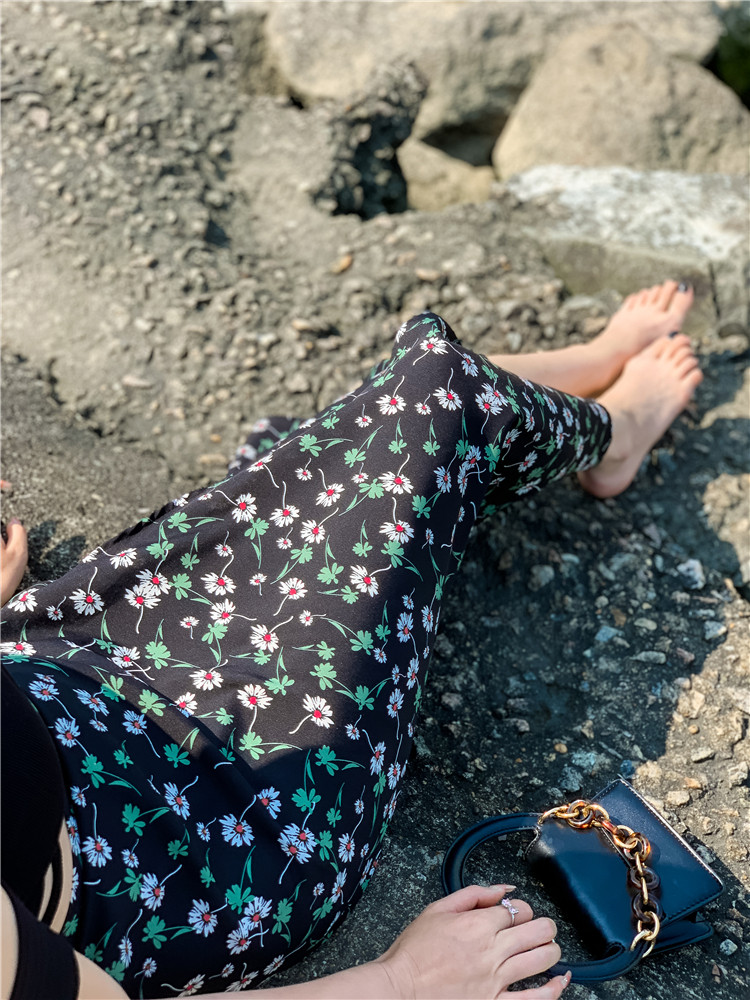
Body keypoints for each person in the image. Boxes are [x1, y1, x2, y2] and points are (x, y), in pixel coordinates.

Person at [0, 280, 700, 1000]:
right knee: (433, 396)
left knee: (341, 448)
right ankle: (613, 431)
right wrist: (405, 981)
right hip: (198, 838)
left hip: (62, 666)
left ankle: (588, 373)